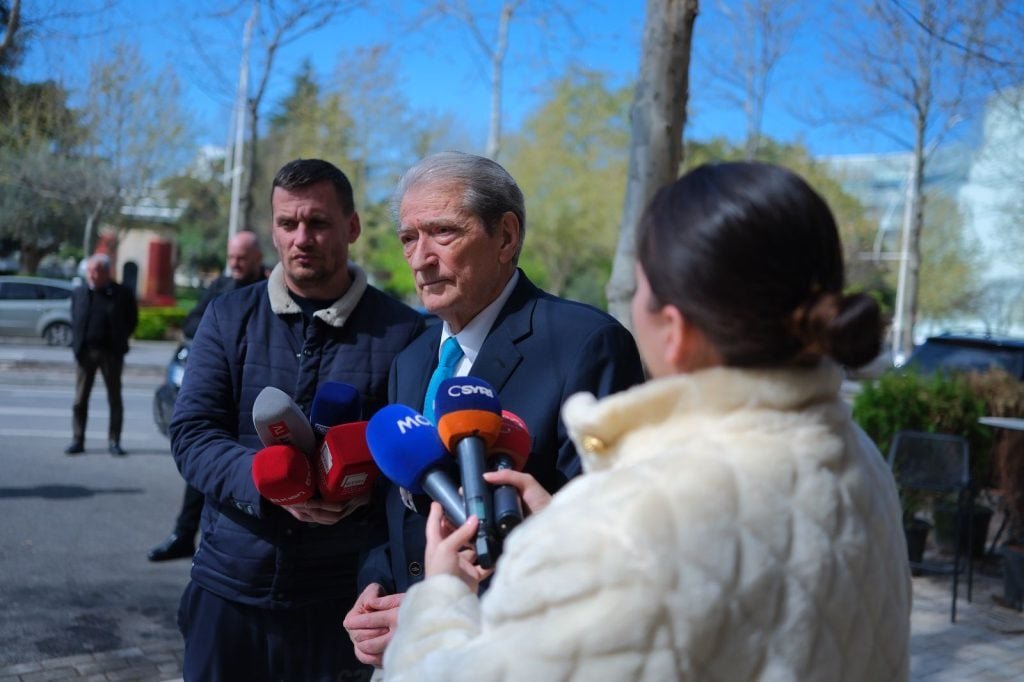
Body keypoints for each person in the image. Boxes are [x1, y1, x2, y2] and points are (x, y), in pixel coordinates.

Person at [378, 161, 912, 680]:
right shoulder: (861, 456)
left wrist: (440, 601)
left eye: (639, 289)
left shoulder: (634, 521)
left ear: (673, 329)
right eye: (408, 238)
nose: (421, 257)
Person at [344, 151, 646, 668]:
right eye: (408, 238)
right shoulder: (412, 358)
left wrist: (441, 613)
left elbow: (607, 539)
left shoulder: (587, 345)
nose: (420, 258)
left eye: (442, 232)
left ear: (505, 237)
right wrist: (376, 590)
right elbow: (394, 507)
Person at [169, 158, 425, 682]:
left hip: (339, 603)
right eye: (288, 224)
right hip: (228, 588)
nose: (301, 238)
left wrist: (355, 490)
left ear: (351, 227)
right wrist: (272, 485)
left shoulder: (405, 333)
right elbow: (192, 435)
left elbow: (409, 462)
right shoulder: (227, 316)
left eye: (318, 222)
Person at [148, 230, 266, 562]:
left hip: (254, 405)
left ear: (257, 258)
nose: (234, 264)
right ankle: (184, 535)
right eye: (231, 258)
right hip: (218, 395)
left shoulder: (274, 290)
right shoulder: (220, 288)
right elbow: (192, 324)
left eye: (241, 258)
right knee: (202, 471)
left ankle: (227, 550)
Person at [65, 253, 138, 456]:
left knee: (115, 399)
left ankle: (114, 441)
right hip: (86, 352)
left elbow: (131, 321)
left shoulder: (122, 293)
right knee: (80, 399)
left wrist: (120, 340)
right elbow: (75, 318)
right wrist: (77, 346)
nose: (92, 275)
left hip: (111, 354)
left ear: (107, 272)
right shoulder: (79, 293)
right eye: (89, 270)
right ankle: (77, 439)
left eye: (96, 271)